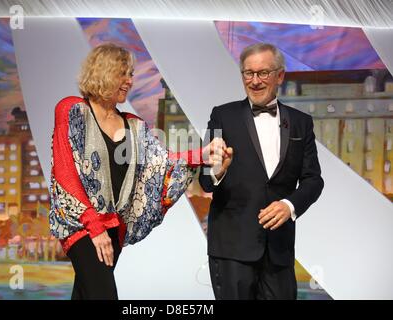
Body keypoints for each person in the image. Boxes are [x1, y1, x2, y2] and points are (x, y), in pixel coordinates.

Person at [49, 43, 231, 300]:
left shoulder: (134, 126)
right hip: (80, 225)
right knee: (103, 294)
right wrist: (95, 227)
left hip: (115, 228)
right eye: (124, 73)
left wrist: (203, 154)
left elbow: (163, 163)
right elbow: (66, 172)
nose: (129, 81)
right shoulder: (72, 110)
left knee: (85, 294)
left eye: (131, 75)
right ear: (104, 72)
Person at [199, 43, 324, 300]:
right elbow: (204, 180)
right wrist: (217, 172)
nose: (254, 81)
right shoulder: (222, 116)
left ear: (280, 76)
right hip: (232, 250)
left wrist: (289, 205)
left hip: (279, 250)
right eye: (248, 73)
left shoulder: (301, 122)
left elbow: (313, 180)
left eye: (263, 73)